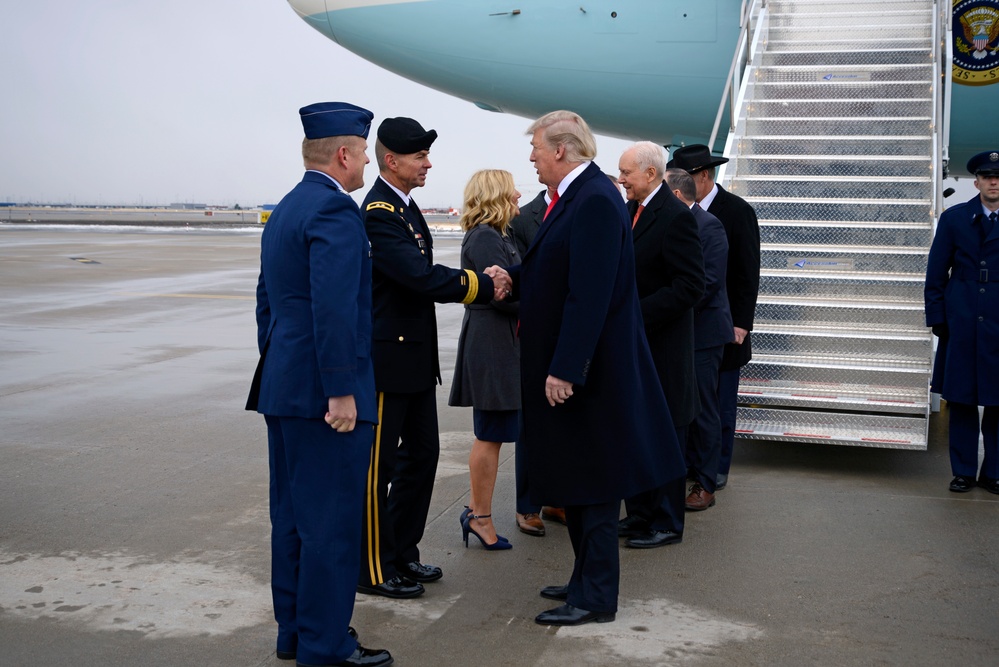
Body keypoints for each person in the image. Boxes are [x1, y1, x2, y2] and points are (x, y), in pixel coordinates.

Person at [511, 110, 683, 626]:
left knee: (597, 484)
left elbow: (589, 295)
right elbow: (556, 268)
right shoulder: (581, 198)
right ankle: (584, 578)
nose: (533, 158)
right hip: (583, 370)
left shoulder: (593, 201)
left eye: (537, 150)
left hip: (590, 374)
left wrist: (566, 367)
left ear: (561, 150)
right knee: (580, 479)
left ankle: (595, 596)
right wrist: (510, 276)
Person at [245, 102, 392, 667]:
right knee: (329, 527)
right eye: (363, 154)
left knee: (292, 521)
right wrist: (338, 389)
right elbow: (334, 309)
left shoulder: (285, 209)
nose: (364, 167)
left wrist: (284, 364)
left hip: (284, 389)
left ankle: (295, 636)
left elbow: (267, 305)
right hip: (326, 397)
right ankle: (326, 647)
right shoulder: (335, 212)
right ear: (344, 153)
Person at [359, 117, 511, 599]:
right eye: (420, 156)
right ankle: (373, 567)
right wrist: (483, 285)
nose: (428, 163)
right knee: (378, 469)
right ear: (392, 160)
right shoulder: (380, 213)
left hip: (416, 361)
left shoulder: (404, 208)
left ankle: (403, 551)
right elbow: (417, 277)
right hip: (388, 363)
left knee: (420, 458)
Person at [616, 142, 702, 548]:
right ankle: (640, 515)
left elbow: (689, 287)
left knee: (666, 435)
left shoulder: (675, 217)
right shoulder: (634, 211)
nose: (621, 179)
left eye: (626, 173)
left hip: (663, 350)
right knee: (636, 431)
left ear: (650, 175)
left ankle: (667, 522)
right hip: (638, 348)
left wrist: (634, 312)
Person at [668, 144, 760, 493]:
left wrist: (741, 323)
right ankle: (694, 465)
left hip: (723, 326)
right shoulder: (677, 212)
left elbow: (746, 273)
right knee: (695, 402)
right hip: (688, 327)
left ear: (702, 177)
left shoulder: (735, 212)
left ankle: (716, 470)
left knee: (718, 405)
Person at [448, 169, 523, 550]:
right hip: (493, 346)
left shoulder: (498, 235)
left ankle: (478, 513)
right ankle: (480, 517)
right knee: (490, 434)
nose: (518, 195)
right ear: (496, 195)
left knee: (493, 432)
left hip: (497, 343)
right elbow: (499, 296)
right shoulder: (486, 238)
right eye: (511, 190)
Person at [925, 150, 999, 495]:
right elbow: (936, 272)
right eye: (987, 177)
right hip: (964, 320)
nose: (993, 182)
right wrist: (938, 318)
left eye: (997, 178)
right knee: (963, 400)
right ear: (977, 182)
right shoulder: (955, 219)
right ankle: (964, 471)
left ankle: (994, 472)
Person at [666, 167, 734, 511]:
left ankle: (706, 483)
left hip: (703, 334)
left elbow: (706, 283)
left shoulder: (710, 227)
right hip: (679, 332)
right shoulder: (675, 224)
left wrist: (665, 308)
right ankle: (682, 472)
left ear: (676, 195)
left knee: (704, 409)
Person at [508, 187, 566, 535]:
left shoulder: (577, 206)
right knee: (529, 425)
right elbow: (521, 274)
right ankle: (527, 506)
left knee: (563, 422)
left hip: (566, 330)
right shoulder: (523, 218)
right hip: (532, 331)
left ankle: (556, 497)